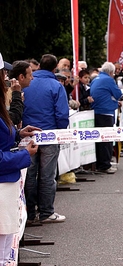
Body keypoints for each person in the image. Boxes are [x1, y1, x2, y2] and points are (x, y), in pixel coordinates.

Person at [23, 54, 70, 224]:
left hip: (28, 135)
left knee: (30, 174)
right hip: (50, 134)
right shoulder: (56, 86)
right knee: (47, 176)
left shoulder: (27, 83)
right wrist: (60, 132)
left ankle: (29, 213)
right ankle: (46, 212)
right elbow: (62, 114)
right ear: (54, 67)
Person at [0, 69, 39, 265]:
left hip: (6, 187)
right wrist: (25, 154)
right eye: (3, 74)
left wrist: (18, 134)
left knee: (6, 249)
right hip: (2, 186)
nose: (8, 79)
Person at [90, 62, 122, 174]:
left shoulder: (95, 79)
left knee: (100, 140)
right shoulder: (108, 80)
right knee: (106, 139)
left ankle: (101, 163)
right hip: (106, 112)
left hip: (96, 111)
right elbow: (118, 94)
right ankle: (105, 165)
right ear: (111, 72)